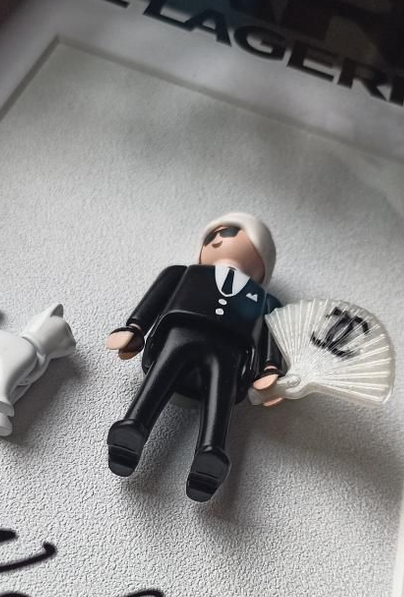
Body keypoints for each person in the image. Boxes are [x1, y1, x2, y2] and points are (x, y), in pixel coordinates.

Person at [105, 213, 284, 502]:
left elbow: (272, 332)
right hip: (179, 333)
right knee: (161, 374)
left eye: (231, 235)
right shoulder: (183, 273)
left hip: (230, 350)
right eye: (213, 236)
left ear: (263, 258)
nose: (219, 240)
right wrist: (135, 328)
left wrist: (270, 368)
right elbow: (156, 299)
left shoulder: (266, 301)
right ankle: (132, 427)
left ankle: (211, 455)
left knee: (221, 396)